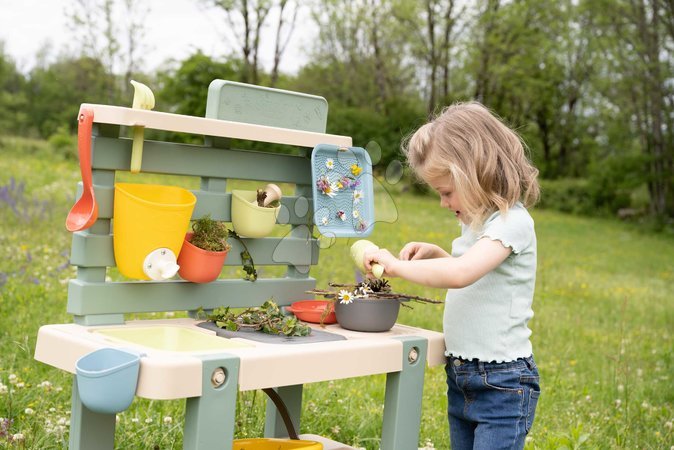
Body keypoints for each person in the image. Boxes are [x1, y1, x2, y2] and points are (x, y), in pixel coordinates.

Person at [362, 102, 541, 450]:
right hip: (461, 376)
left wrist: (397, 267)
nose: (443, 203)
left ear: (474, 172)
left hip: (502, 383)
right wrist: (437, 253)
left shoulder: (513, 223)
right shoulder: (476, 223)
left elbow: (461, 274)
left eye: (446, 191)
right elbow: (475, 275)